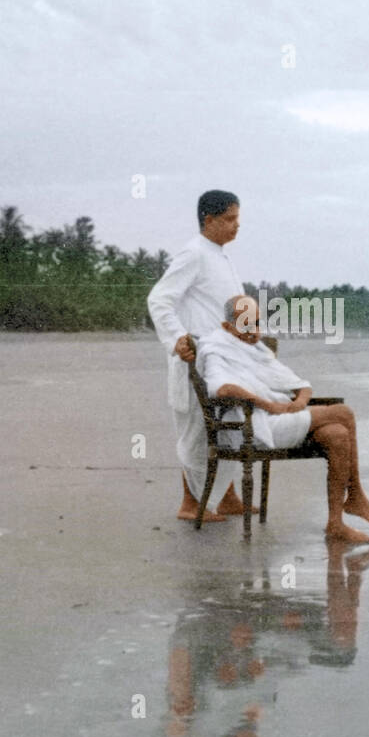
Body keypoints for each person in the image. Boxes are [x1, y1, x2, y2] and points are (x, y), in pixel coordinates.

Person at [196, 294, 369, 545]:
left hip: (279, 421)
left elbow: (300, 384)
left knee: (337, 434)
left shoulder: (258, 350)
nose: (253, 331)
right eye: (246, 325)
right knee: (343, 412)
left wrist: (299, 404)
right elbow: (222, 389)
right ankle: (355, 496)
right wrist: (269, 405)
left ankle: (336, 524)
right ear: (227, 327)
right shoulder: (216, 349)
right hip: (253, 429)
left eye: (257, 323)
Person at [146, 190, 253, 523]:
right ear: (209, 220)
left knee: (230, 426)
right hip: (198, 356)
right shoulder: (194, 253)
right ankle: (190, 504)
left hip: (224, 357)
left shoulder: (219, 255)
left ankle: (227, 497)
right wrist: (179, 338)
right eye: (230, 219)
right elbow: (159, 299)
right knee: (199, 430)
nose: (237, 226)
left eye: (238, 218)